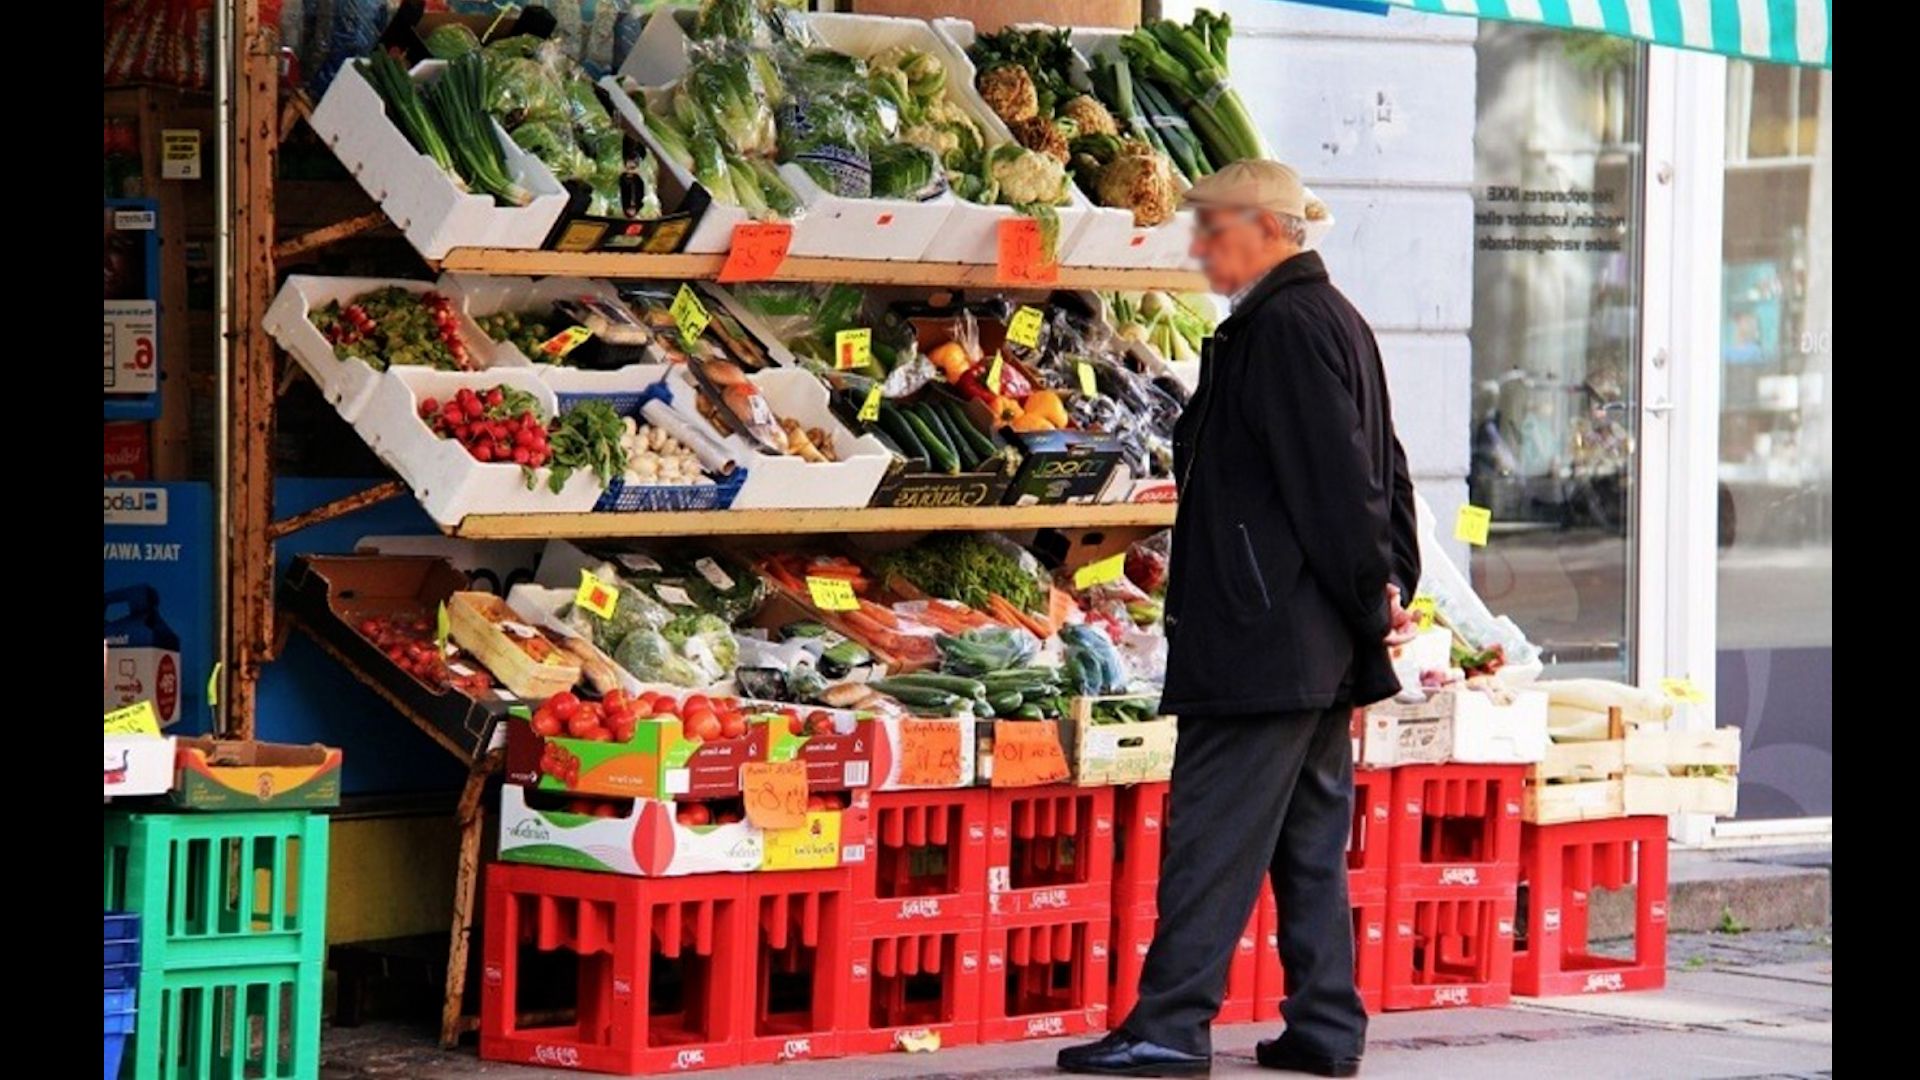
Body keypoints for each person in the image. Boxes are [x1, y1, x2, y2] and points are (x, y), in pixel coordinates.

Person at [1057, 160, 1420, 1078]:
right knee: (1307, 842)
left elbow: (1343, 486)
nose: (1201, 246)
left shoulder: (1285, 329)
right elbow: (1389, 466)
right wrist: (1385, 589)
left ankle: (1170, 1027)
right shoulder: (1327, 320)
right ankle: (1325, 1029)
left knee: (1213, 835)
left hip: (1267, 637)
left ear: (1265, 229)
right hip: (1308, 636)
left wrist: (1374, 588)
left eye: (1212, 228)